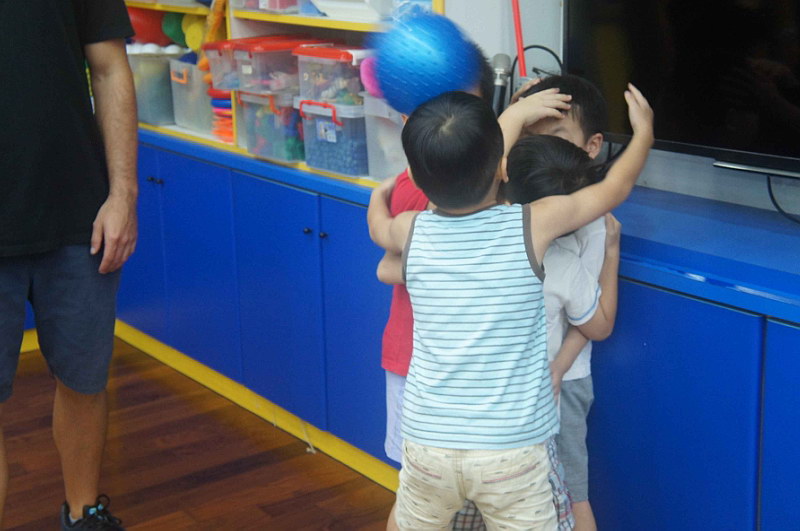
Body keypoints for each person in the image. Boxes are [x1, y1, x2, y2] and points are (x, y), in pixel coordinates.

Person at [368, 84, 653, 530]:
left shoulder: (411, 229)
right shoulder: (532, 225)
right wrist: (644, 135)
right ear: (503, 167)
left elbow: (378, 228)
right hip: (511, 451)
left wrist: (378, 196)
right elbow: (615, 188)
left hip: (428, 443)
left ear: (419, 184)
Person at [376, 48, 574, 531]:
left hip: (452, 398)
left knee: (432, 504)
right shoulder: (424, 190)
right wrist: (514, 118)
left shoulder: (438, 184)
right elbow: (389, 264)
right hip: (429, 380)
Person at [0, 2, 137, 530]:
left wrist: (123, 195)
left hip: (79, 215)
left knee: (84, 382)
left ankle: (85, 516)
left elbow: (109, 67)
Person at [512, 75, 612, 531]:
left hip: (563, 381)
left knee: (571, 493)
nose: (541, 150)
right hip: (516, 383)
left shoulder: (590, 222)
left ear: (591, 147)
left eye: (554, 137)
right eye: (530, 138)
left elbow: (589, 318)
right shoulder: (516, 204)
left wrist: (556, 368)